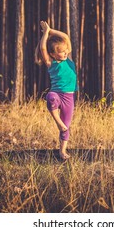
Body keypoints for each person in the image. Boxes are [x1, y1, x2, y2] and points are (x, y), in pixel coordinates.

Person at [35, 21, 77, 160]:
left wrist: (50, 29)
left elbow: (65, 37)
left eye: (66, 51)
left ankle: (62, 151)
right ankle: (57, 121)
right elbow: (42, 48)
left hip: (69, 97)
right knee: (50, 98)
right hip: (57, 94)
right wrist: (46, 34)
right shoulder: (50, 63)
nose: (65, 53)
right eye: (61, 52)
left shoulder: (68, 59)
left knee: (66, 126)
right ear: (52, 54)